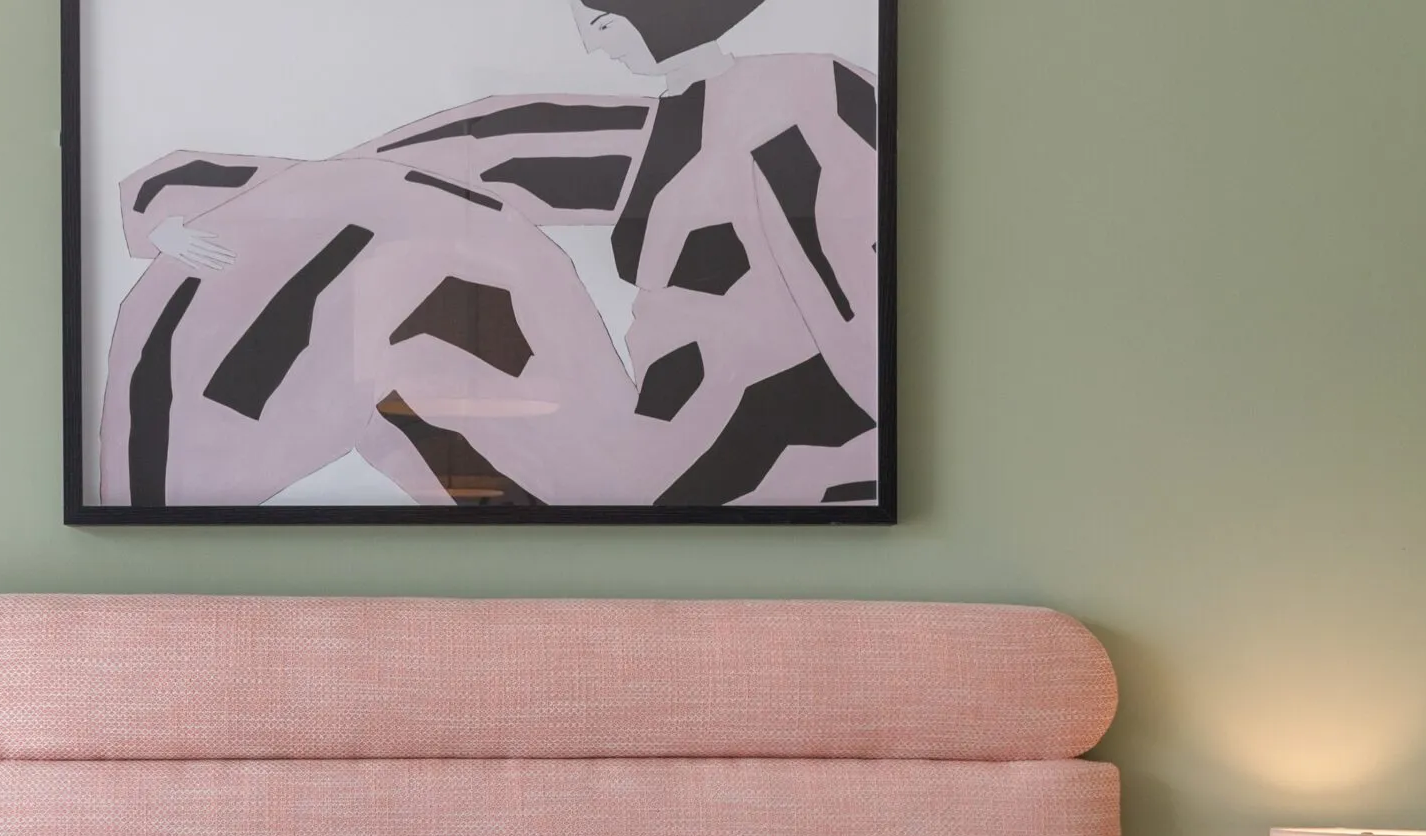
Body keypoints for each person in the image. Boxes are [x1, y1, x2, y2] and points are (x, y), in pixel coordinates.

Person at [98, 0, 881, 510]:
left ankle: (159, 524)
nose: (582, 38)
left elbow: (869, 314)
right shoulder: (675, 128)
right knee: (385, 230)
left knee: (390, 242)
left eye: (599, 21)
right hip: (661, 448)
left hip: (745, 466)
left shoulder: (810, 103)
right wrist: (185, 199)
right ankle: (163, 527)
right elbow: (472, 147)